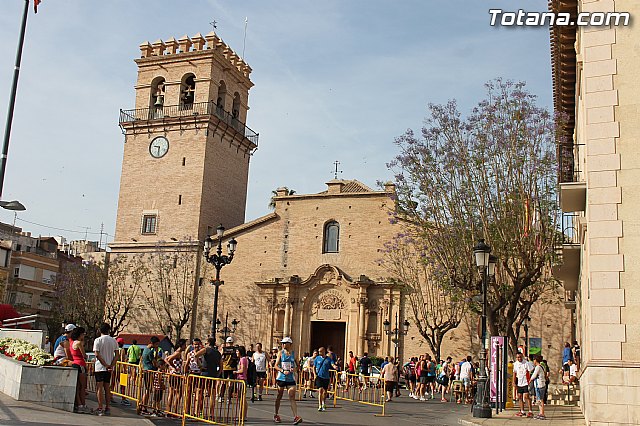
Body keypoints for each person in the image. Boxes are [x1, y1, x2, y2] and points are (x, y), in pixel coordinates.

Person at [273, 337, 302, 424]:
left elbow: (298, 366)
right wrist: (282, 370)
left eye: (285, 343)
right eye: (282, 343)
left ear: (290, 344)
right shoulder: (280, 353)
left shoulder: (294, 354)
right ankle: (276, 414)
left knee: (292, 395)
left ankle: (296, 416)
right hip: (281, 378)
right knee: (279, 396)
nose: (283, 344)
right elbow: (276, 365)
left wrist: (295, 369)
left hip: (290, 378)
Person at [93, 323, 119, 416]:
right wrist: (111, 365)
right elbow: (117, 355)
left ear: (100, 330)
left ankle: (100, 408)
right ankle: (108, 407)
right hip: (109, 368)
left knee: (99, 387)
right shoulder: (113, 341)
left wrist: (105, 364)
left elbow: (97, 354)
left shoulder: (98, 340)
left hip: (100, 367)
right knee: (107, 387)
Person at [69, 327, 90, 414]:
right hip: (81, 364)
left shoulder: (72, 343)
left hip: (75, 363)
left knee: (77, 386)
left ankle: (79, 404)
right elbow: (84, 355)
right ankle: (82, 405)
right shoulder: (78, 343)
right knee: (82, 386)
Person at [138, 336, 160, 416]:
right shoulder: (150, 352)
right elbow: (155, 362)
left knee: (148, 389)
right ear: (152, 343)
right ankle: (144, 406)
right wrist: (157, 353)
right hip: (149, 371)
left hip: (146, 370)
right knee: (148, 390)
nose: (157, 346)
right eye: (157, 344)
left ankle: (143, 405)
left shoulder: (145, 350)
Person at [314, 347, 336, 412]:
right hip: (319, 376)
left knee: (325, 392)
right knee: (320, 390)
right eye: (318, 351)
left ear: (323, 351)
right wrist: (315, 374)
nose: (319, 353)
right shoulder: (317, 358)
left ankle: (323, 402)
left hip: (326, 377)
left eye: (320, 351)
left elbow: (332, 364)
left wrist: (335, 366)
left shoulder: (328, 359)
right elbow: (314, 367)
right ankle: (320, 405)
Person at [513, 351, 534, 418]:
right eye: (518, 357)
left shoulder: (526, 363)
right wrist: (514, 381)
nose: (519, 358)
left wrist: (530, 379)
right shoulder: (515, 364)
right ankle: (522, 411)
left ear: (522, 356)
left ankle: (530, 411)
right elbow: (514, 373)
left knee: (526, 396)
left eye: (520, 357)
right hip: (519, 382)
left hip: (526, 382)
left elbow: (531, 370)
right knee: (519, 396)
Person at [529, 355, 546, 420]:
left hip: (540, 385)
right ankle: (540, 412)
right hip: (539, 385)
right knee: (539, 400)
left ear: (536, 360)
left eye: (534, 360)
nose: (533, 361)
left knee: (540, 400)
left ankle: (542, 413)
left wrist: (530, 379)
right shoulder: (540, 366)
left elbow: (534, 375)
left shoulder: (538, 367)